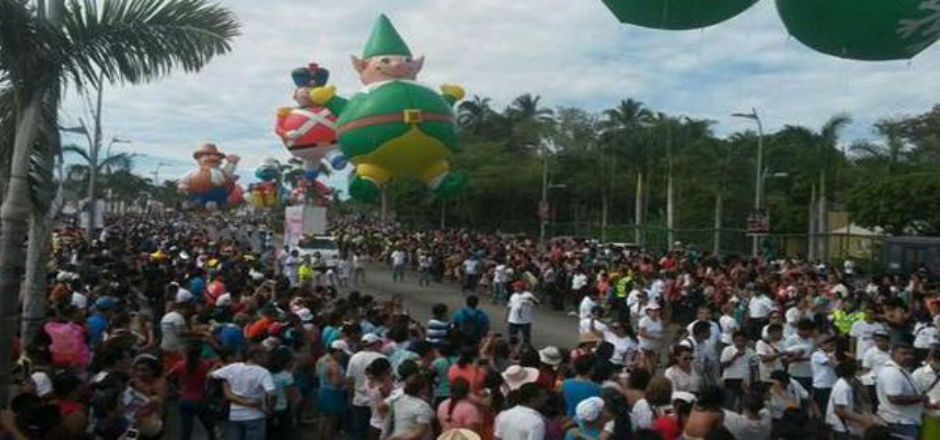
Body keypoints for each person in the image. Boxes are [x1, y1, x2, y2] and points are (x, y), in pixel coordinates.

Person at [210, 346, 276, 440]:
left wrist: (219, 367)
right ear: (256, 356)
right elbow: (272, 393)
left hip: (235, 415)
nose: (268, 358)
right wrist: (270, 409)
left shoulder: (233, 368)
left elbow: (211, 375)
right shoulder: (263, 372)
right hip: (256, 415)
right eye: (265, 355)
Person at [875, 339, 925, 440]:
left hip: (906, 421)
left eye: (911, 354)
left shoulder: (900, 370)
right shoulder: (892, 372)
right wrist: (921, 398)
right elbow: (894, 398)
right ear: (892, 354)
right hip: (899, 423)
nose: (908, 357)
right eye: (903, 353)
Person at [167, 341, 216, 440]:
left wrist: (176, 391)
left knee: (186, 431)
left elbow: (168, 378)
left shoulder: (180, 365)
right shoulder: (204, 365)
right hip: (201, 399)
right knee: (210, 428)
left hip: (185, 399)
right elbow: (211, 375)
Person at [347, 333, 388, 439]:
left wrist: (350, 396)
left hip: (359, 399)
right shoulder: (382, 358)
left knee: (358, 431)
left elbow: (350, 379)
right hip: (377, 401)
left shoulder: (354, 357)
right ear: (375, 344)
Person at [826, 360, 874, 439]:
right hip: (839, 427)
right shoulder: (842, 387)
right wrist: (862, 419)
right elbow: (839, 410)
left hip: (845, 425)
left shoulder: (847, 384)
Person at [384, 374, 434, 440]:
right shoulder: (422, 406)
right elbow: (418, 433)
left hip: (397, 434)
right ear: (423, 388)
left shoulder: (398, 400)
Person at [316, 341, 347, 440]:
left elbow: (316, 375)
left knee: (323, 419)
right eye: (342, 353)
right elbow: (336, 383)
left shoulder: (322, 360)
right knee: (331, 422)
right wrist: (346, 380)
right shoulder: (335, 365)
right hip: (333, 394)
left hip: (322, 391)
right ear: (337, 352)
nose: (343, 356)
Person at [719, 331, 756, 411]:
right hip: (730, 380)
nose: (740, 343)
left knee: (743, 406)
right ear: (734, 341)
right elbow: (722, 365)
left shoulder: (751, 352)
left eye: (742, 340)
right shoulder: (727, 350)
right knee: (729, 405)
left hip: (745, 381)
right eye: (737, 340)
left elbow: (753, 368)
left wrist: (752, 383)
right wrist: (734, 357)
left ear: (746, 341)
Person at [912, 343, 940, 440]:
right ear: (935, 359)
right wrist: (929, 403)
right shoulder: (919, 374)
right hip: (927, 415)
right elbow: (913, 395)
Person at [638, 302, 664, 370]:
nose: (655, 312)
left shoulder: (659, 321)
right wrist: (654, 337)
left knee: (654, 367)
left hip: (655, 347)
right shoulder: (644, 321)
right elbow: (641, 333)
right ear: (648, 311)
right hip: (646, 347)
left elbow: (660, 331)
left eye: (657, 310)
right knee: (647, 366)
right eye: (653, 310)